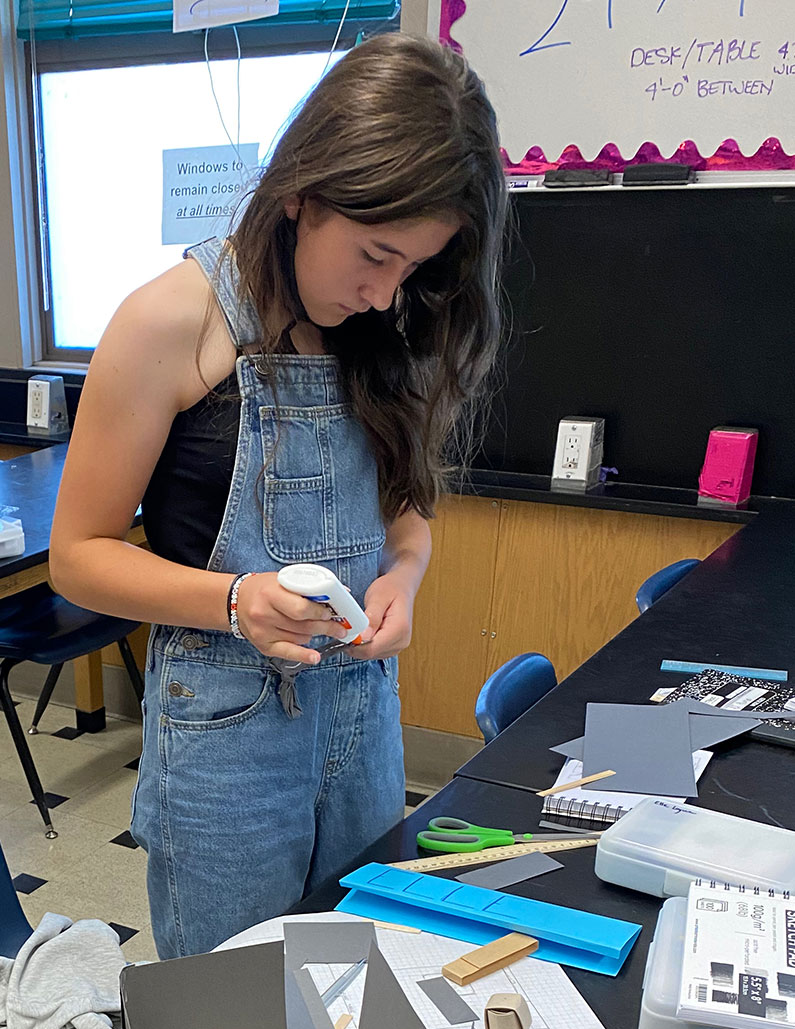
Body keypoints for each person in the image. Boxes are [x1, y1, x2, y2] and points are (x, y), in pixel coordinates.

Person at [50, 32, 507, 959]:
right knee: (234, 1010)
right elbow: (78, 558)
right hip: (226, 742)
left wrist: (403, 580)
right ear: (300, 190)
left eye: (413, 270)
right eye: (374, 254)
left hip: (362, 722)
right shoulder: (169, 322)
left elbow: (404, 511)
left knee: (350, 985)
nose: (385, 294)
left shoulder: (383, 328)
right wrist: (229, 600)